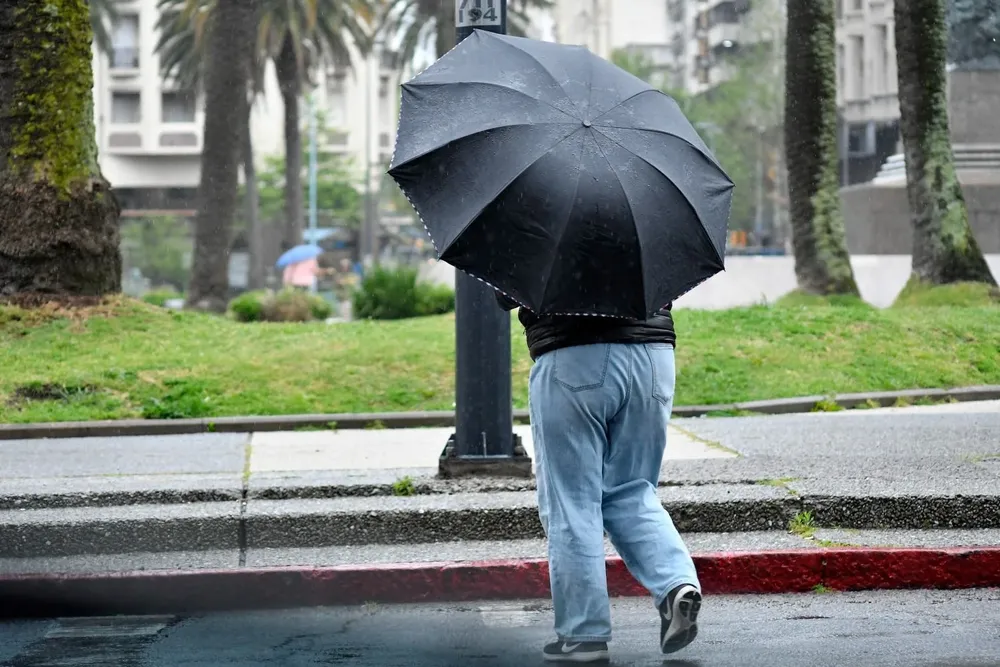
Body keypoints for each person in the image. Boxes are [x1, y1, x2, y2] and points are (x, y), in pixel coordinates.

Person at [496, 292, 701, 663]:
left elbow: (507, 292)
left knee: (573, 501)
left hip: (575, 354)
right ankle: (676, 584)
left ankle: (584, 634)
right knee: (633, 489)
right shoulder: (648, 231)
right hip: (653, 357)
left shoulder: (544, 230)